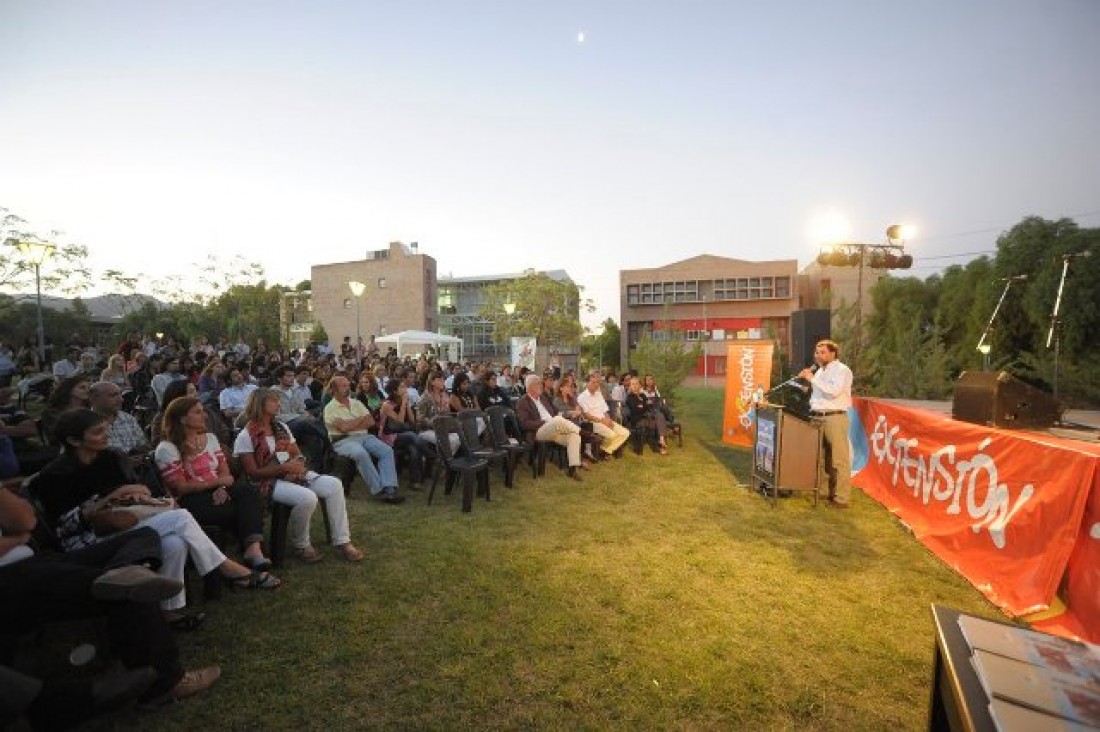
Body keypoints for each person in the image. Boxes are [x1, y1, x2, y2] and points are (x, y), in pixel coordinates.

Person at [28, 409, 281, 620]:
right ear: (74, 441)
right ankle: (230, 569)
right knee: (180, 519)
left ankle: (170, 612)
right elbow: (63, 529)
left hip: (124, 522)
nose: (106, 435)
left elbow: (130, 492)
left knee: (175, 541)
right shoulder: (54, 476)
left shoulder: (108, 458)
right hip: (87, 541)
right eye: (98, 432)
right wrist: (104, 502)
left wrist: (134, 493)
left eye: (105, 429)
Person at [0, 487, 220, 713]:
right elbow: (27, 527)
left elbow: (26, 520)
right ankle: (165, 683)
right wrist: (14, 541)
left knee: (143, 537)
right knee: (128, 585)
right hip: (13, 576)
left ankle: (123, 574)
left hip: (44, 560)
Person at [238, 388, 364, 560]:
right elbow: (252, 473)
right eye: (274, 401)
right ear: (260, 404)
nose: (278, 404)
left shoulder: (281, 427)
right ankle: (302, 545)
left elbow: (298, 454)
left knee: (334, 484)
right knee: (307, 497)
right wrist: (284, 469)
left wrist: (298, 466)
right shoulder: (246, 435)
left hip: (293, 473)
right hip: (266, 483)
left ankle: (342, 541)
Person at [155, 396, 277, 570]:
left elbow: (224, 471)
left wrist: (222, 486)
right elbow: (181, 487)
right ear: (182, 419)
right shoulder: (167, 448)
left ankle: (252, 549)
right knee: (245, 507)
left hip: (218, 489)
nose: (204, 416)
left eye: (203, 411)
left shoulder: (210, 438)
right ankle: (250, 550)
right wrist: (219, 483)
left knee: (248, 492)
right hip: (190, 500)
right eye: (198, 412)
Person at [324, 376, 403, 504]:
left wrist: (351, 424)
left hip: (364, 436)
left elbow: (371, 422)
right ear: (334, 389)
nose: (347, 388)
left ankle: (389, 488)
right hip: (343, 440)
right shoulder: (330, 408)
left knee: (386, 450)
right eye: (343, 386)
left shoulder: (356, 403)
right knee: (360, 453)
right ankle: (379, 490)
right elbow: (344, 428)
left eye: (348, 385)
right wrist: (361, 419)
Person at [798, 339, 854, 509]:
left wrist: (812, 379)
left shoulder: (842, 370)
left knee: (839, 459)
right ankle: (823, 491)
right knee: (821, 458)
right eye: (817, 352)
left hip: (834, 417)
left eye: (822, 352)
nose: (818, 355)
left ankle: (841, 498)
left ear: (833, 353)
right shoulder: (820, 372)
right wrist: (803, 385)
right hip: (818, 416)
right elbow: (819, 395)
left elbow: (834, 392)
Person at [514, 374, 583, 481]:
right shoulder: (522, 402)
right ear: (531, 387)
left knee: (574, 436)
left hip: (554, 429)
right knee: (557, 420)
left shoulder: (543, 398)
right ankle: (583, 432)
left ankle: (572, 469)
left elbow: (556, 412)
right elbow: (524, 424)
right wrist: (544, 422)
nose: (541, 386)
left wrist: (567, 414)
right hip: (538, 432)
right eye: (539, 384)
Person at [379, 380, 436, 490]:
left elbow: (412, 420)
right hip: (389, 437)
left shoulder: (403, 401)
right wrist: (404, 404)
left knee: (414, 449)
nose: (405, 389)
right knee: (411, 435)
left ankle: (415, 482)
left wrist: (407, 404)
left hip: (403, 436)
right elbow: (399, 422)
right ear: (395, 391)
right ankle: (430, 454)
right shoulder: (387, 405)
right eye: (401, 387)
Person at [576, 372, 631, 458]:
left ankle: (605, 450)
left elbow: (605, 410)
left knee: (625, 433)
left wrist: (608, 419)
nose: (596, 384)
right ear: (587, 383)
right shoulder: (581, 397)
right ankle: (606, 451)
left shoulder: (599, 394)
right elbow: (586, 416)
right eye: (593, 382)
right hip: (593, 422)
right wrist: (602, 421)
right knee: (613, 435)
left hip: (604, 420)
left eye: (597, 382)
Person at [89, 381, 150, 455]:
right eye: (113, 395)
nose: (121, 400)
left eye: (120, 395)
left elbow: (143, 445)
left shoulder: (128, 418)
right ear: (93, 398)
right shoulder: (87, 423)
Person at [625, 376, 669, 455]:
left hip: (647, 417)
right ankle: (658, 446)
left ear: (640, 386)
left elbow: (650, 406)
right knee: (654, 422)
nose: (634, 386)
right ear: (630, 386)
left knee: (659, 416)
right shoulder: (630, 397)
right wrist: (645, 405)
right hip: (637, 420)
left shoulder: (642, 395)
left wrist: (642, 405)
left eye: (636, 384)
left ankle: (661, 440)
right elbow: (636, 410)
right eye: (632, 384)